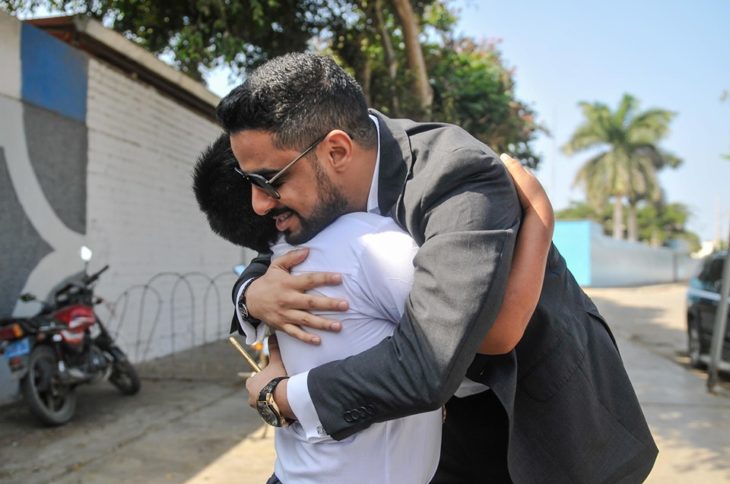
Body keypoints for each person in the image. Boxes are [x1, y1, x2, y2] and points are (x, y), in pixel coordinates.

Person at [217, 53, 658, 483]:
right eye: (248, 182)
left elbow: (428, 362)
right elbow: (271, 255)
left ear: (337, 151)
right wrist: (251, 296)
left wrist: (281, 398)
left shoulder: (457, 175)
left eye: (268, 181)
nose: (258, 203)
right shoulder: (324, 177)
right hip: (435, 426)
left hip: (531, 412)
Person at [192, 133, 555, 483]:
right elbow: (489, 335)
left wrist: (251, 300)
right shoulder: (368, 246)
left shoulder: (286, 258)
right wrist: (540, 218)